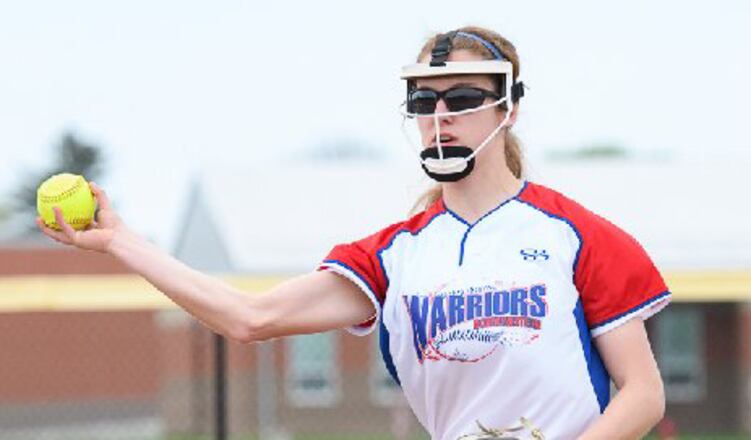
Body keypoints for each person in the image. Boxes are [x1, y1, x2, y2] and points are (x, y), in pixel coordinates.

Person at [37, 26, 671, 440]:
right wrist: (122, 241)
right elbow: (248, 317)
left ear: (508, 107)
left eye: (464, 98)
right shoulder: (396, 255)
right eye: (425, 103)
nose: (441, 117)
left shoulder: (578, 236)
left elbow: (642, 394)